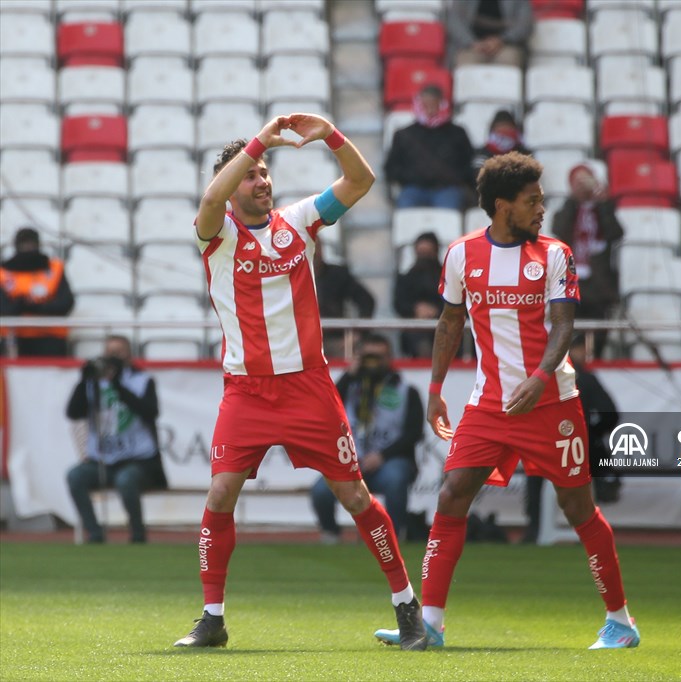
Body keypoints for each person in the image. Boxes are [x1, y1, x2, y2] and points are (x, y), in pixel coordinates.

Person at [173, 113, 427, 651]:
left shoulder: (301, 220)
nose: (263, 180)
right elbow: (211, 198)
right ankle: (212, 618)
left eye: (266, 172)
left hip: (308, 386)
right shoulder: (216, 233)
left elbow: (360, 182)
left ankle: (407, 606)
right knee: (220, 494)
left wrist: (333, 134)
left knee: (356, 497)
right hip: (246, 389)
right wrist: (260, 138)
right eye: (252, 174)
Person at [373, 152, 640, 650]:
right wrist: (434, 392)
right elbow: (450, 323)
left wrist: (540, 377)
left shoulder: (555, 254)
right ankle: (429, 623)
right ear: (502, 206)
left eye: (540, 199)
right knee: (452, 494)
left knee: (579, 507)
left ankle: (620, 621)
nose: (541, 208)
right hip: (489, 404)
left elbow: (564, 326)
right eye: (531, 200)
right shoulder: (461, 255)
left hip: (552, 403)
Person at [310, 333, 423, 541]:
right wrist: (349, 374)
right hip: (350, 461)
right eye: (368, 356)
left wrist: (382, 456)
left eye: (378, 357)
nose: (372, 363)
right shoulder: (350, 386)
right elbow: (325, 408)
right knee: (320, 491)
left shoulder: (407, 391)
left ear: (390, 358)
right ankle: (330, 535)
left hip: (389, 460)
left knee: (395, 479)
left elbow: (413, 434)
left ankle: (393, 536)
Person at [65, 334, 167, 544]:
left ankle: (138, 534)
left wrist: (118, 385)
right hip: (102, 460)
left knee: (126, 480)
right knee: (75, 477)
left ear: (129, 355)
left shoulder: (142, 380)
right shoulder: (93, 384)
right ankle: (94, 532)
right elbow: (73, 413)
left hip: (138, 459)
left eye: (119, 352)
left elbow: (150, 412)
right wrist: (83, 382)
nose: (114, 357)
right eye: (110, 353)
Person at [522, 335, 621, 544]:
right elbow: (610, 414)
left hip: (545, 444)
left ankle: (534, 528)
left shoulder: (541, 377)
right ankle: (591, 529)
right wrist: (592, 432)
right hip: (577, 446)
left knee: (534, 479)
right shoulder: (585, 378)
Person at [550, 163, 624, 359]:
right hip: (570, 284)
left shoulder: (603, 210)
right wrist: (573, 201)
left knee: (597, 335)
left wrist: (603, 202)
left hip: (598, 286)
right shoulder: (566, 211)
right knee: (569, 335)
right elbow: (560, 231)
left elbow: (615, 233)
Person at [384, 84, 475, 210]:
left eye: (434, 105)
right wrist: (412, 178)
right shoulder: (403, 135)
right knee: (406, 208)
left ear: (441, 104)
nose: (430, 110)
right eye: (425, 105)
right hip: (413, 189)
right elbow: (391, 168)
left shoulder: (457, 133)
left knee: (448, 211)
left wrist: (453, 179)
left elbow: (468, 164)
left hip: (447, 189)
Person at [0, 227, 75, 357]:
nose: (28, 248)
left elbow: (66, 303)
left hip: (51, 338)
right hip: (14, 339)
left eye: (31, 244)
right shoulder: (3, 273)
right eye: (24, 244)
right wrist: (22, 303)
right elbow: (4, 308)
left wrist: (35, 306)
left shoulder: (55, 269)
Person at [312, 242, 376, 358]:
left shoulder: (337, 274)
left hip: (335, 338)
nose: (313, 254)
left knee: (352, 354)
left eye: (316, 249)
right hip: (299, 340)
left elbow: (366, 300)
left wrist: (358, 333)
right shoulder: (288, 276)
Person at [393, 232, 444, 358]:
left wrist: (437, 310)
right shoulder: (406, 278)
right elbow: (399, 303)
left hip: (445, 323)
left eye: (428, 253)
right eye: (421, 254)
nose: (424, 258)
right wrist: (416, 308)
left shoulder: (448, 277)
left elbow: (458, 301)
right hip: (414, 325)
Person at [447, 0, 533, 68]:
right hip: (471, 47)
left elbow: (525, 25)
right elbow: (455, 22)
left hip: (506, 46)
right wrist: (471, 42)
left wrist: (501, 40)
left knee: (509, 60)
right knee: (466, 63)